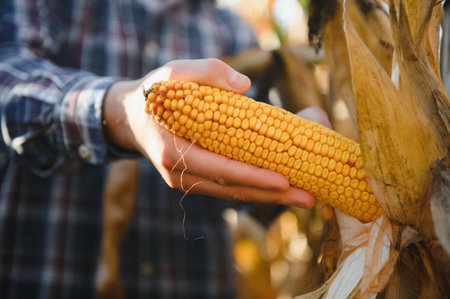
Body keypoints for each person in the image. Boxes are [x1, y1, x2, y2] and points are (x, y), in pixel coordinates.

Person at [0, 0, 329, 298]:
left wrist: (297, 157)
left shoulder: (233, 30)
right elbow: (9, 84)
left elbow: (253, 194)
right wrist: (121, 112)